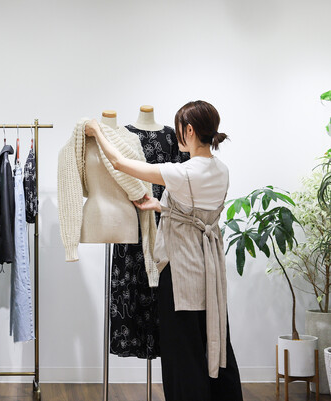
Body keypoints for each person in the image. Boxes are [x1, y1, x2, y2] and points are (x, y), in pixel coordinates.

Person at [85, 100, 243, 401]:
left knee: (183, 355)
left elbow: (119, 163)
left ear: (190, 130)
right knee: (212, 342)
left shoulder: (183, 172)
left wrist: (97, 130)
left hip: (181, 271)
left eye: (180, 128)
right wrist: (161, 206)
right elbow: (197, 213)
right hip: (210, 271)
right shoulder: (220, 169)